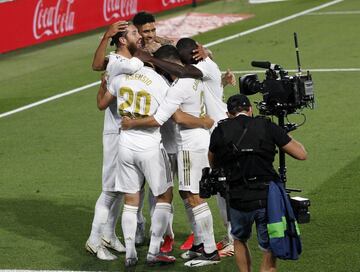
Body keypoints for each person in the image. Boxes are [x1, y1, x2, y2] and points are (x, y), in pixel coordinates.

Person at [122, 45, 221, 268]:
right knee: (188, 192)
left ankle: (210, 249)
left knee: (194, 196)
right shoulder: (202, 71)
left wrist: (131, 122)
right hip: (201, 141)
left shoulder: (178, 86)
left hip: (189, 144)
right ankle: (200, 244)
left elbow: (166, 118)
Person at [208, 94, 307, 272]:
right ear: (250, 110)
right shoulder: (266, 125)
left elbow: (213, 162)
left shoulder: (220, 129)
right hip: (266, 197)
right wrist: (284, 134)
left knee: (239, 238)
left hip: (237, 196)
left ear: (228, 113)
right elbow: (301, 154)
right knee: (270, 246)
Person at [85, 22, 144, 260]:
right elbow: (97, 65)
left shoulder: (128, 61)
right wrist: (106, 35)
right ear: (121, 40)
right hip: (115, 133)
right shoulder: (120, 62)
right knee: (110, 190)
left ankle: (109, 235)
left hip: (126, 133)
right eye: (134, 33)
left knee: (121, 189)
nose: (138, 36)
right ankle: (93, 240)